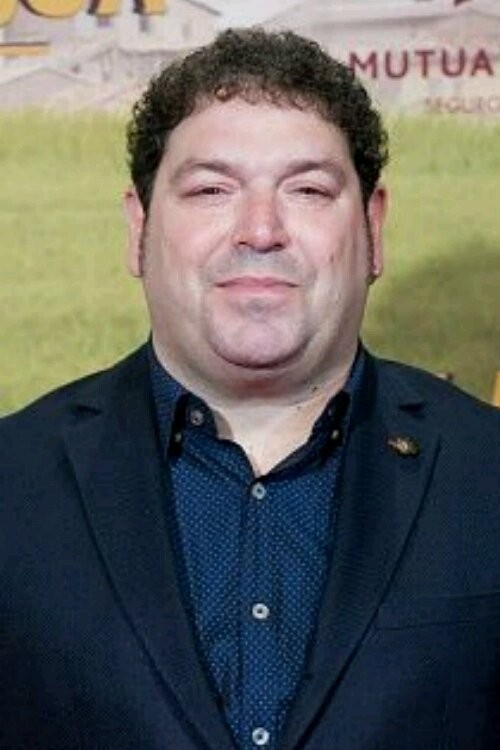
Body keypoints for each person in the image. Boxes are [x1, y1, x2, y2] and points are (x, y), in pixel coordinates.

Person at [0, 28, 499, 750]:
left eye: (308, 190)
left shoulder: (486, 470)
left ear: (373, 228)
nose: (260, 230)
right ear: (139, 229)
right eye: (211, 190)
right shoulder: (13, 481)